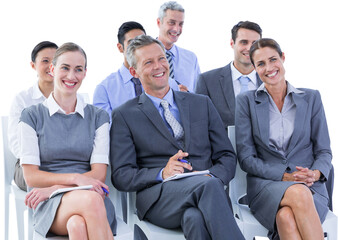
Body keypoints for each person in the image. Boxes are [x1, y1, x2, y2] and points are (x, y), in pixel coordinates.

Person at [110, 35, 244, 240]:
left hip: (208, 189)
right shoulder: (124, 115)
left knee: (195, 219)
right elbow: (121, 175)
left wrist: (212, 177)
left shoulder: (202, 103)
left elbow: (226, 155)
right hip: (160, 199)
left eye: (161, 58)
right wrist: (162, 173)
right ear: (133, 72)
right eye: (148, 62)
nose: (158, 66)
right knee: (207, 188)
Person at [235, 38, 332, 240]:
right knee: (299, 193)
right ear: (254, 68)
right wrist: (286, 177)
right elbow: (246, 158)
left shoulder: (311, 98)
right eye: (261, 64)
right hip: (267, 186)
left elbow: (323, 151)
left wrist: (314, 174)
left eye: (273, 59)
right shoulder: (246, 102)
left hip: (311, 184)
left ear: (283, 58)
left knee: (286, 217)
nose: (269, 68)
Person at [19, 42, 116, 239]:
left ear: (85, 73)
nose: (71, 76)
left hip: (89, 193)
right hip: (50, 203)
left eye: (78, 69)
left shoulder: (98, 117)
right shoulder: (31, 116)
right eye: (65, 68)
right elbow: (31, 177)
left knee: (77, 225)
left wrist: (57, 187)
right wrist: (75, 178)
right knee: (91, 203)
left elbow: (98, 175)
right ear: (53, 69)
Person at [93, 21, 179, 121]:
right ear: (120, 48)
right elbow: (107, 130)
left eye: (143, 41)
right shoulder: (104, 89)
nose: (139, 47)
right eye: (132, 43)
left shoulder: (169, 83)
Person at [8, 41, 58, 191]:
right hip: (29, 166)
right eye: (45, 61)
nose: (51, 66)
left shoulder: (71, 98)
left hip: (61, 165)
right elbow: (16, 142)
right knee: (65, 185)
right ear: (33, 65)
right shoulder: (22, 99)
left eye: (56, 61)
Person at [195, 21, 262, 130]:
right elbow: (199, 124)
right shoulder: (207, 81)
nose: (249, 48)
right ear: (232, 43)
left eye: (255, 43)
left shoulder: (270, 82)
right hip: (222, 146)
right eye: (244, 42)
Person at [157, 1, 200, 92]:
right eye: (171, 23)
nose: (176, 29)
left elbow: (198, 94)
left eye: (180, 24)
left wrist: (187, 95)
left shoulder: (191, 58)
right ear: (159, 22)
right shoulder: (144, 55)